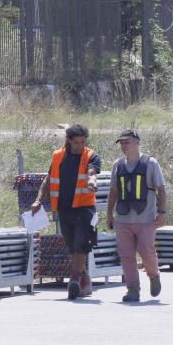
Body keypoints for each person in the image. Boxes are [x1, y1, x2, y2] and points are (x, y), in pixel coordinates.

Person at [31, 124, 101, 299]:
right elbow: (48, 180)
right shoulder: (58, 156)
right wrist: (39, 200)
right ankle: (84, 279)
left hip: (85, 209)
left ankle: (74, 279)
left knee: (81, 244)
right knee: (71, 246)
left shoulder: (91, 155)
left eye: (83, 142)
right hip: (64, 209)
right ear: (68, 141)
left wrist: (92, 181)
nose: (80, 146)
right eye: (76, 142)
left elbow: (92, 172)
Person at [106, 129, 167, 302]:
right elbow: (114, 191)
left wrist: (162, 212)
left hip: (146, 219)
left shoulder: (151, 163)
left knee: (147, 252)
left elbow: (161, 190)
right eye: (122, 143)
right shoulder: (117, 165)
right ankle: (132, 289)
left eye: (127, 142)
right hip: (123, 219)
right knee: (126, 255)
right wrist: (109, 213)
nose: (124, 146)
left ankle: (154, 275)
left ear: (137, 143)